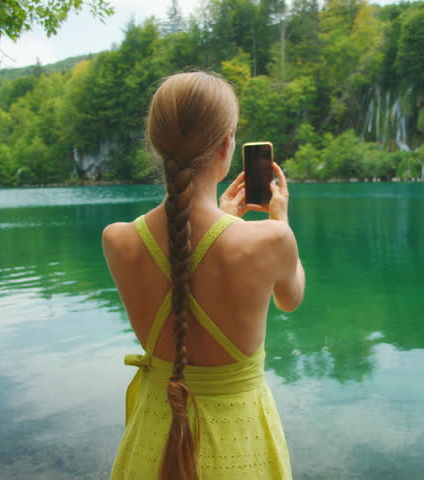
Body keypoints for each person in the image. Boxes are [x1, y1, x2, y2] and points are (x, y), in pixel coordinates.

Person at [101, 71, 306, 480]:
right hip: (240, 446)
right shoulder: (269, 241)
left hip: (150, 445)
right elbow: (290, 299)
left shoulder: (119, 240)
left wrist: (223, 224)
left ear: (157, 144)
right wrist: (280, 221)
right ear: (227, 145)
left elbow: (182, 265)